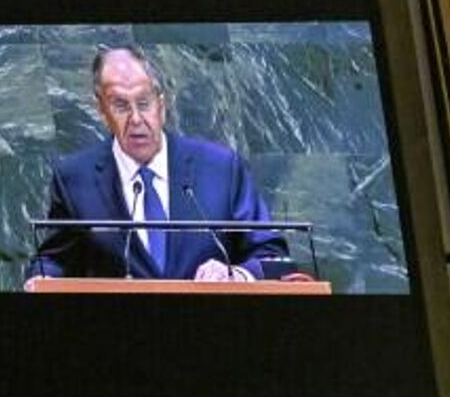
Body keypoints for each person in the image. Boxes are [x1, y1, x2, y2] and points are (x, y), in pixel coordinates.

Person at [27, 45, 289, 283]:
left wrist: (236, 275)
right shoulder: (75, 178)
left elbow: (271, 254)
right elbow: (53, 262)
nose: (136, 119)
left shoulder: (220, 168)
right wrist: (39, 280)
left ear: (161, 105)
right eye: (120, 106)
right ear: (102, 111)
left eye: (144, 103)